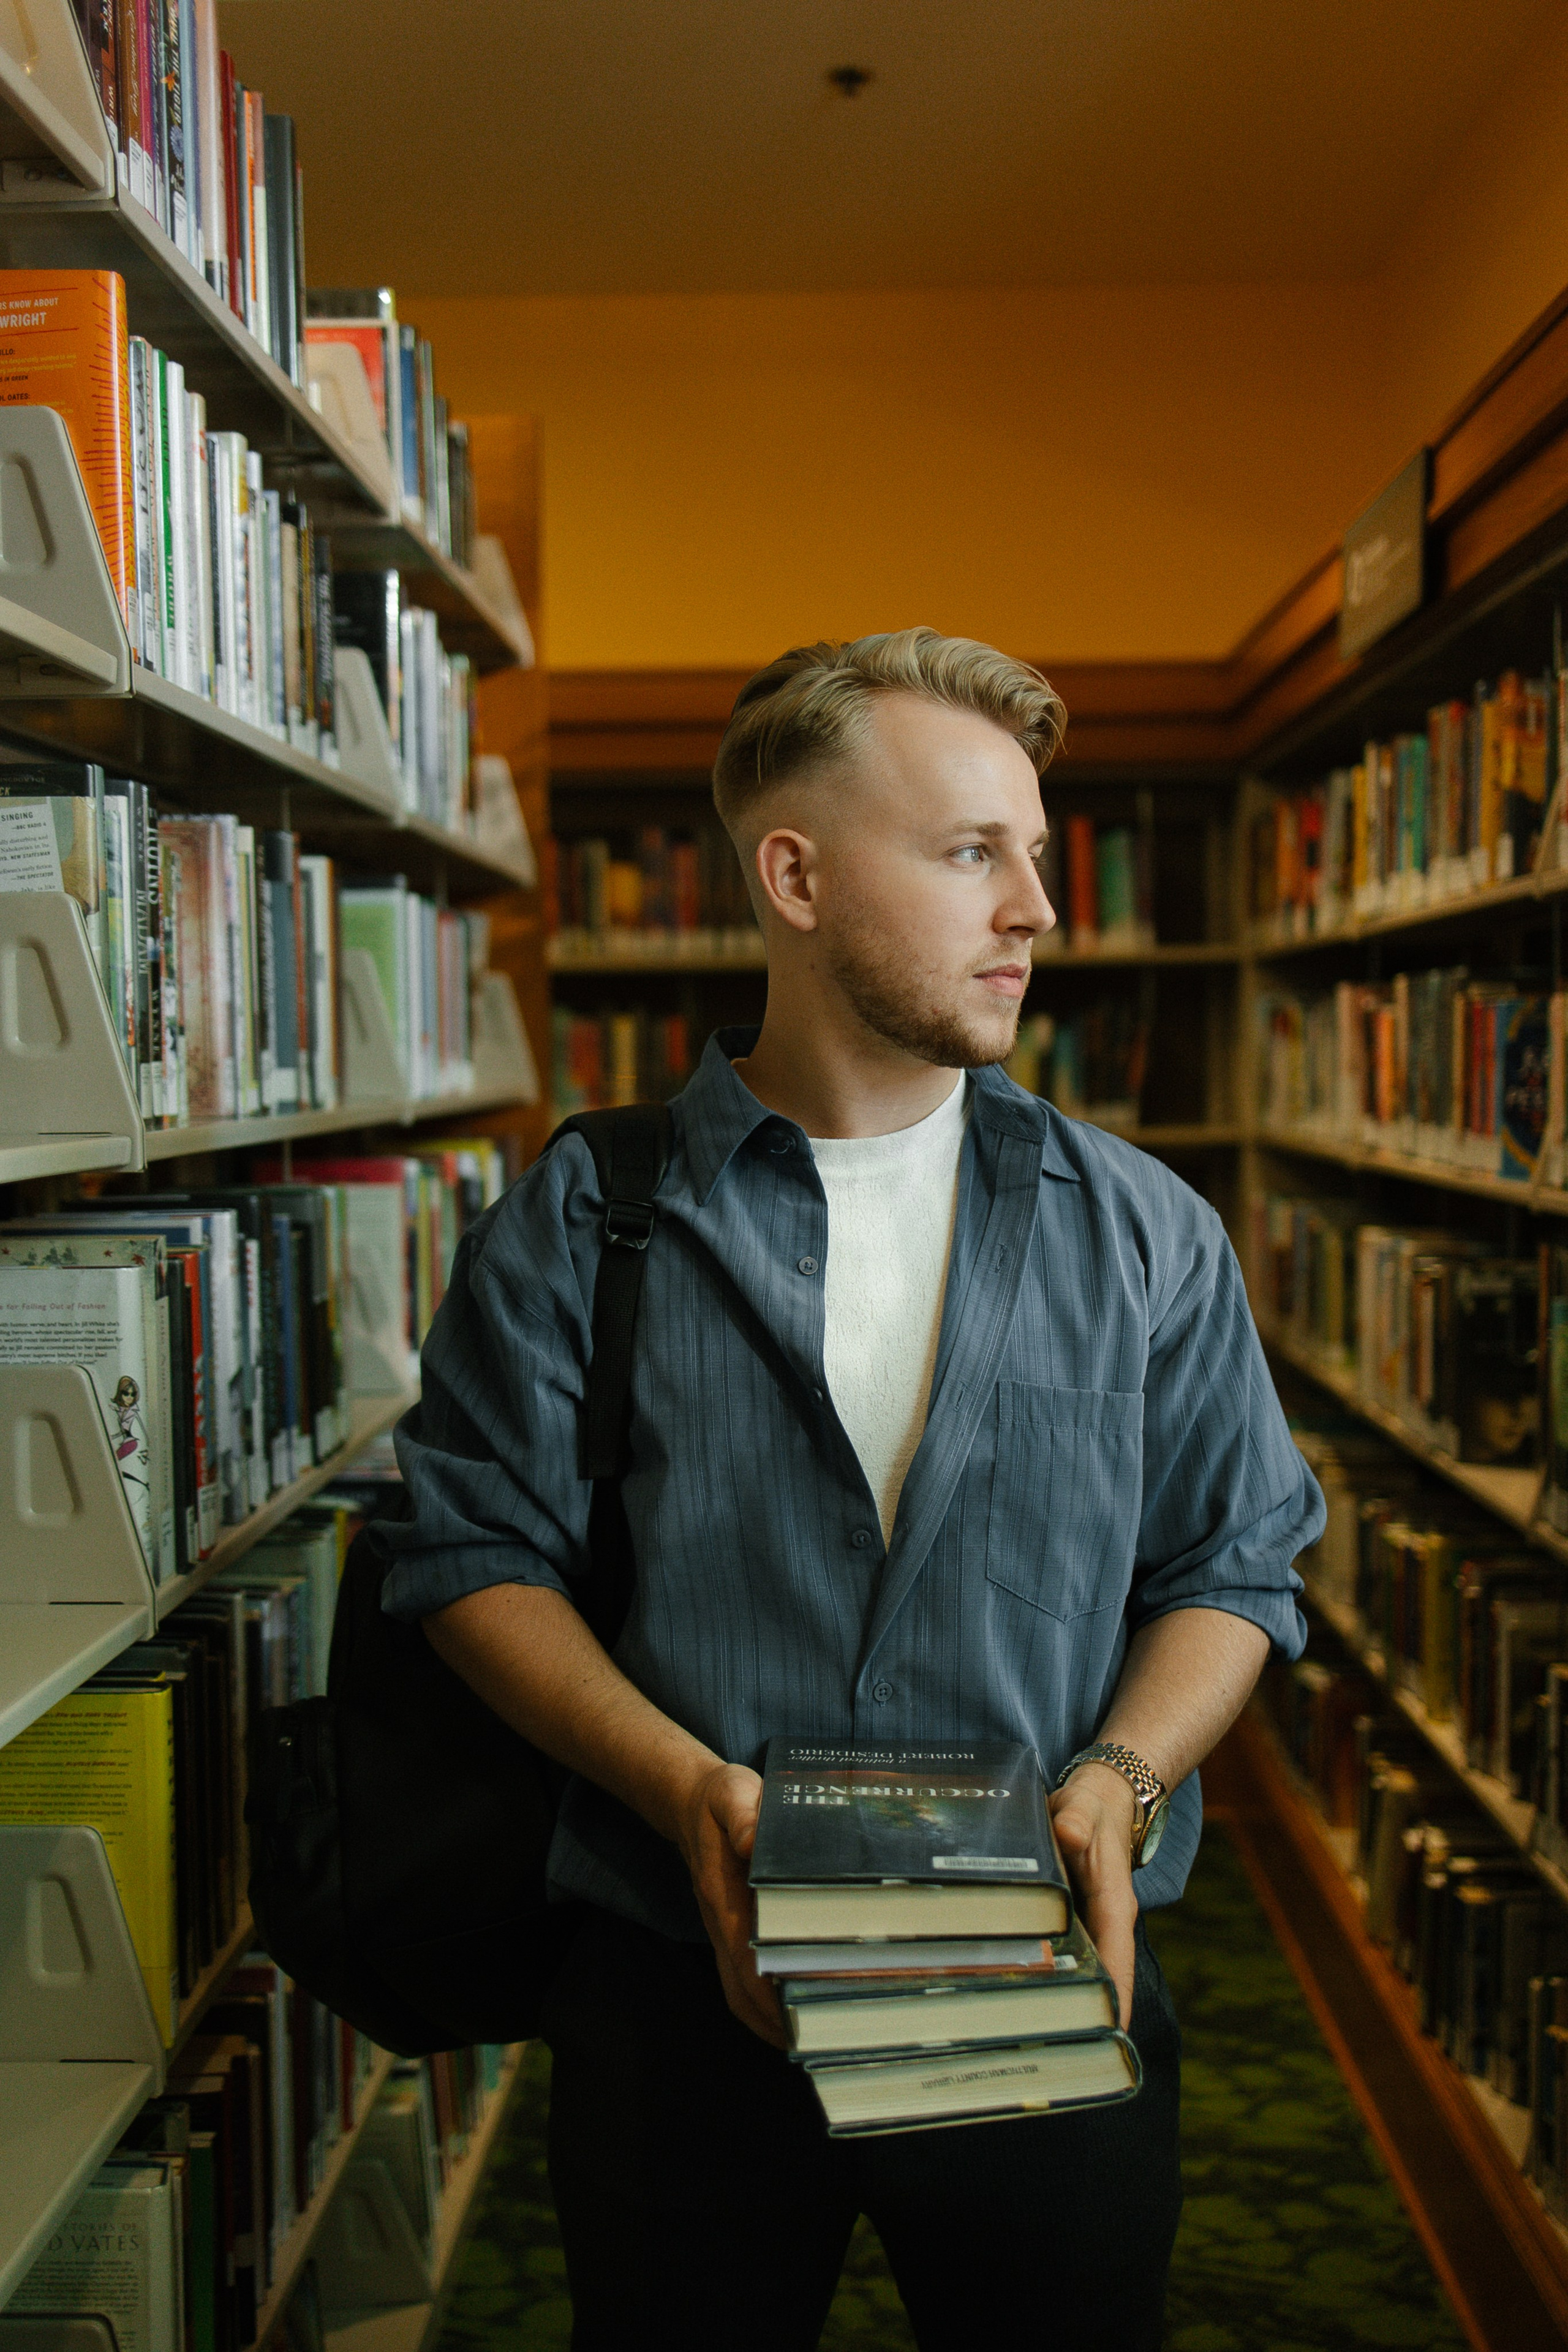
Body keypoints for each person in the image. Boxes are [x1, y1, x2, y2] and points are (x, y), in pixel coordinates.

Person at [383, 628, 1323, 2352]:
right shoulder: (586, 1221)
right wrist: (681, 1788)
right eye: (972, 853)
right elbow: (467, 1554)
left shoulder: (1146, 1232)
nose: (1037, 908)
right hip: (684, 1980)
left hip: (1041, 1956)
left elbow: (1235, 1566)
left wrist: (1123, 1778)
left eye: (1035, 854)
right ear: (795, 878)